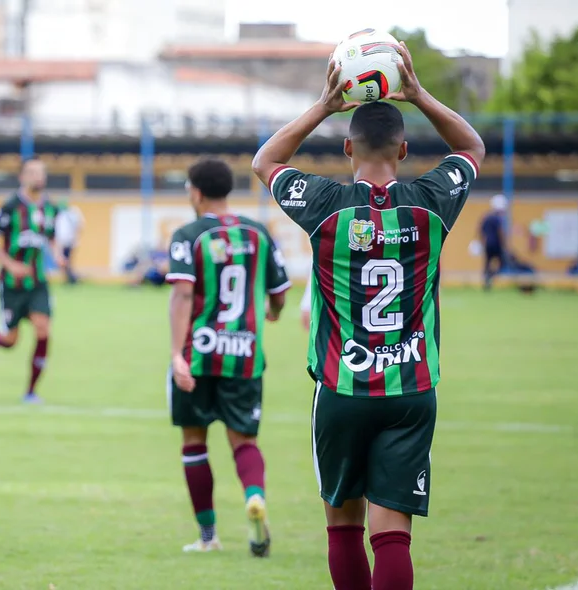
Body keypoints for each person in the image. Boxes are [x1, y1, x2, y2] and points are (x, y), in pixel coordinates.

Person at [252, 44, 484, 590]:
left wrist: (324, 105)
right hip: (410, 389)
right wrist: (419, 93)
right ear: (404, 149)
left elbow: (265, 161)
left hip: (341, 387)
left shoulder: (324, 204)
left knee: (343, 528)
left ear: (347, 147)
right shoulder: (431, 203)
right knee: (393, 531)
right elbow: (472, 145)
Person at [166, 158, 291, 557]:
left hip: (199, 353)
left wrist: (176, 354)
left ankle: (208, 537)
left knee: (194, 443)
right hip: (245, 354)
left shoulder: (188, 235)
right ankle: (254, 497)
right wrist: (274, 312)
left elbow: (183, 293)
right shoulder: (258, 234)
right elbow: (279, 292)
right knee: (244, 441)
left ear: (196, 192)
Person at [0, 157, 66, 404]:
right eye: (33, 172)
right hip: (12, 286)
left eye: (42, 172)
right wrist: (11, 265)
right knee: (10, 341)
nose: (38, 177)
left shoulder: (51, 208)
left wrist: (57, 256)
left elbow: (51, 237)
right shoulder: (9, 207)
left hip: (38, 283)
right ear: (22, 177)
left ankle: (31, 391)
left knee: (43, 329)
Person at [479, 194, 507, 290]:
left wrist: (482, 244)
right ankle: (491, 276)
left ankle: (487, 279)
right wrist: (504, 245)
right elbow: (500, 232)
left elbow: (481, 232)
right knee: (502, 262)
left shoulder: (486, 217)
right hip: (496, 244)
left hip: (488, 244)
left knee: (487, 263)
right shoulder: (498, 218)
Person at [54, 200, 84, 284]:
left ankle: (70, 278)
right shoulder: (72, 213)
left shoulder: (68, 214)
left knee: (66, 261)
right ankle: (69, 278)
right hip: (67, 241)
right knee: (65, 261)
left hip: (66, 241)